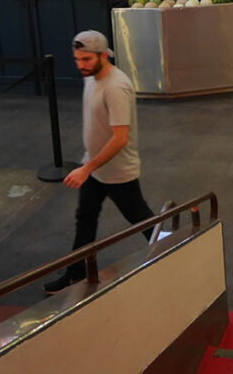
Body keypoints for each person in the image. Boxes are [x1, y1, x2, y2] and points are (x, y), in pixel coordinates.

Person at [44, 31, 155, 294]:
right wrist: (89, 165)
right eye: (77, 59)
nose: (80, 64)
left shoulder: (117, 87)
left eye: (86, 59)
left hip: (117, 172)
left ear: (103, 56)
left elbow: (120, 139)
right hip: (95, 169)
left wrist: (85, 169)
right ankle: (76, 273)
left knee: (141, 219)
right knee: (85, 218)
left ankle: (177, 251)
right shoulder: (92, 77)